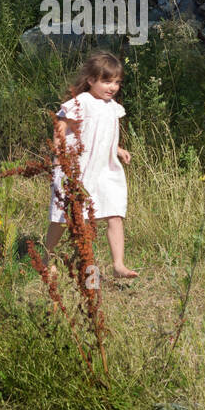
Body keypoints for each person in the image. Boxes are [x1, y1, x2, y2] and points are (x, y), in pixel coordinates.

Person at [45, 51, 137, 279]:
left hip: (106, 169)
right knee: (66, 218)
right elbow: (61, 126)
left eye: (117, 82)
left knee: (115, 213)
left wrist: (117, 149)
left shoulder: (112, 107)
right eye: (107, 81)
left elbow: (102, 134)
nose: (113, 87)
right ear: (91, 80)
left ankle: (118, 264)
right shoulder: (82, 102)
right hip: (78, 168)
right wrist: (59, 152)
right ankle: (48, 257)